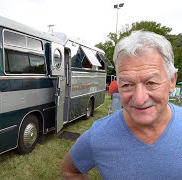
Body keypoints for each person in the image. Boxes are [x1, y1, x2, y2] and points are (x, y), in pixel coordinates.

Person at [60, 31, 182, 179]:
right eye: (127, 85)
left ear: (172, 81)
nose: (139, 99)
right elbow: (69, 171)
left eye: (151, 83)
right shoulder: (99, 136)